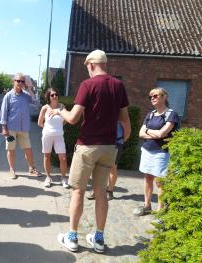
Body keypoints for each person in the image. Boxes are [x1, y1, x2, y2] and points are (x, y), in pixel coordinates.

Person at [50, 50, 131, 253]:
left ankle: (72, 237)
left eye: (86, 66)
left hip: (87, 146)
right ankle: (99, 238)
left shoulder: (88, 85)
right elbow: (125, 120)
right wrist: (121, 141)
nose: (87, 70)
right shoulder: (118, 85)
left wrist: (60, 110)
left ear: (92, 64)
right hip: (109, 147)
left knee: (78, 191)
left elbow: (73, 118)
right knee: (101, 192)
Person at [133, 87, 179, 216]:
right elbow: (141, 133)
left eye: (156, 95)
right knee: (147, 178)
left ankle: (160, 210)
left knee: (160, 181)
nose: (153, 98)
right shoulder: (150, 114)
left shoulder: (171, 114)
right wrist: (153, 133)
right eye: (151, 96)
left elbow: (163, 133)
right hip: (147, 150)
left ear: (164, 97)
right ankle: (147, 206)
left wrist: (148, 131)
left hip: (161, 152)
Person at [0, 73, 40, 179]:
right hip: (11, 128)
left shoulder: (26, 95)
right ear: (14, 81)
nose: (20, 83)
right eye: (18, 81)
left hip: (24, 128)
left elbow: (36, 103)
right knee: (11, 149)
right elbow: (3, 113)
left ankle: (32, 169)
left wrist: (30, 88)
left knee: (28, 149)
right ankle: (12, 170)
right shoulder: (8, 96)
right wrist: (4, 128)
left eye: (22, 81)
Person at [86, 121, 129, 200]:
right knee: (97, 166)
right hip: (101, 142)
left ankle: (109, 191)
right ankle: (96, 190)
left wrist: (120, 140)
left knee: (113, 167)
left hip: (116, 143)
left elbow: (127, 130)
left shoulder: (120, 112)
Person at [37, 88, 70, 188]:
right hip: (47, 136)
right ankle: (48, 177)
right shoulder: (45, 108)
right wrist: (47, 129)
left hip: (59, 136)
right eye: (52, 95)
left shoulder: (62, 107)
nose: (55, 96)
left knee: (63, 158)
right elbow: (39, 122)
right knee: (47, 156)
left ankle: (64, 178)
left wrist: (59, 126)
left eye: (56, 94)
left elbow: (66, 119)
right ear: (49, 97)